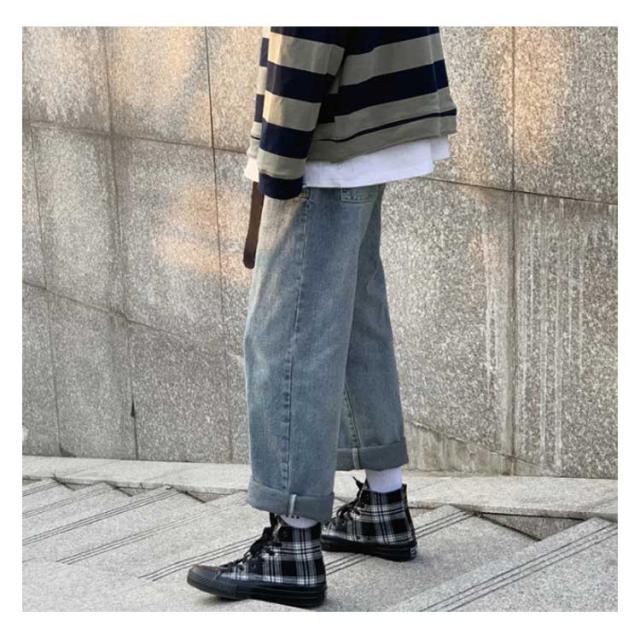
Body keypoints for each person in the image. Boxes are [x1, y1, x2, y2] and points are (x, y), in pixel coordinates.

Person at [187, 26, 458, 608]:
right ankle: (382, 506)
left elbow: (307, 30)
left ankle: (292, 541)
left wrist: (278, 163)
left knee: (285, 335)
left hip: (329, 133)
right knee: (354, 317)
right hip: (374, 115)